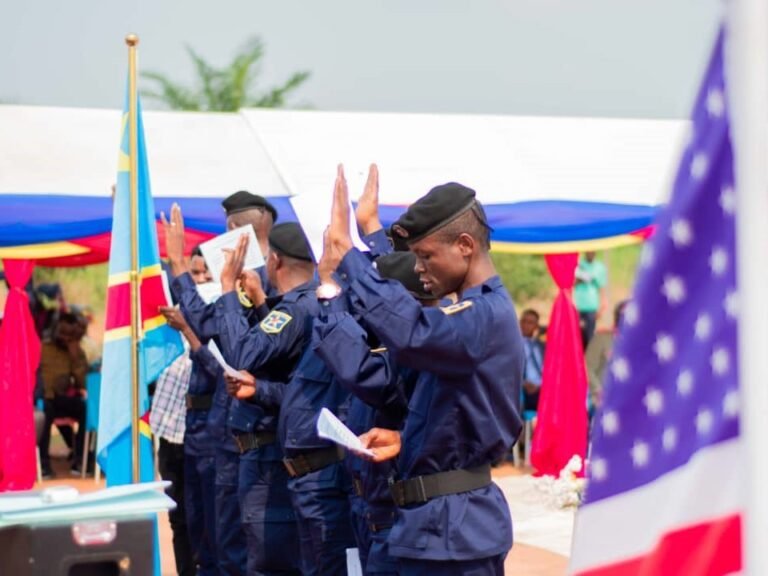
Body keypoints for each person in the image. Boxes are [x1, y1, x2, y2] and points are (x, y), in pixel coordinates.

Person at [321, 166, 525, 575]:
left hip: (455, 532)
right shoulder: (465, 316)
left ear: (465, 245)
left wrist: (349, 257)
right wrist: (406, 438)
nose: (417, 269)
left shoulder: (483, 314)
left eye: (426, 256)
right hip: (432, 527)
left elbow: (412, 331)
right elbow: (452, 410)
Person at [158, 245, 219, 575]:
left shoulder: (223, 313)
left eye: (205, 273)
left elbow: (220, 370)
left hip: (207, 431)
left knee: (210, 523)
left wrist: (189, 329)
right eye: (193, 273)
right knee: (180, 519)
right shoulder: (173, 311)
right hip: (170, 428)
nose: (200, 280)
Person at [150, 336, 195, 576]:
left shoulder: (205, 335)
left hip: (196, 439)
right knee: (178, 520)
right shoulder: (164, 341)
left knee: (200, 519)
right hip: (168, 437)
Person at [38, 312, 88, 478]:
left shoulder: (74, 351)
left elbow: (83, 383)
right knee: (45, 413)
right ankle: (43, 464)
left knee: (85, 409)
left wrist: (75, 356)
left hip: (60, 398)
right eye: (63, 333)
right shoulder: (42, 348)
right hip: (43, 397)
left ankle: (80, 459)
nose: (65, 337)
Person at [585, 300, 627, 413]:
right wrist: (598, 391)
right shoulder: (602, 338)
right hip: (602, 399)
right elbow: (587, 367)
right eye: (622, 315)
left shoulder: (640, 343)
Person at [574, 251, 608, 348]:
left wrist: (603, 304)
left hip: (591, 306)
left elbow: (602, 287)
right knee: (578, 336)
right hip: (578, 305)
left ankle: (588, 359)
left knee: (589, 336)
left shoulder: (600, 267)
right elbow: (572, 282)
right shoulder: (579, 266)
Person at [519, 309, 545, 412]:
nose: (526, 325)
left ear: (536, 326)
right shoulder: (512, 345)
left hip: (541, 388)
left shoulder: (541, 346)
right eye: (523, 321)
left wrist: (540, 385)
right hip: (521, 387)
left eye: (530, 323)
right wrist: (523, 383)